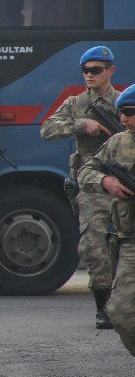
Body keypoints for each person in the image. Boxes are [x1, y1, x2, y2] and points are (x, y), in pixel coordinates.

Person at [41, 46, 120, 329]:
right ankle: (103, 307)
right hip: (90, 184)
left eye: (96, 70)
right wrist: (81, 124)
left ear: (110, 70)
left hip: (123, 183)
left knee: (122, 245)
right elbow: (47, 128)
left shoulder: (124, 103)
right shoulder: (76, 103)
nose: (89, 75)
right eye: (85, 71)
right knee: (94, 245)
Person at [77, 83, 135, 355]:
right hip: (130, 242)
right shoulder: (118, 142)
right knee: (121, 314)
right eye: (121, 113)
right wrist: (106, 182)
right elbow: (86, 172)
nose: (123, 119)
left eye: (130, 112)